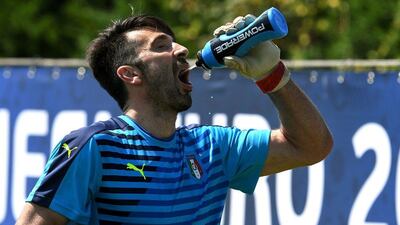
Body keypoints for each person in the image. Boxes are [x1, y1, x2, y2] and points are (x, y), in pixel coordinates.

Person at [16, 13, 333, 225]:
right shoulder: (92, 147)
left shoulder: (212, 146)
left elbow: (311, 146)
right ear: (130, 74)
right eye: (161, 46)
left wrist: (272, 75)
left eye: (174, 41)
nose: (181, 49)